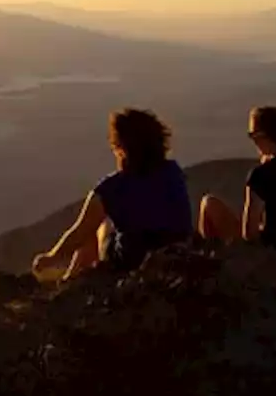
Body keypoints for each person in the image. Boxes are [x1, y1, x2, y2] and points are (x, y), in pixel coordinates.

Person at [32, 108, 192, 280]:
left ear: (121, 149)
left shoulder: (111, 188)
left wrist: (50, 258)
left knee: (95, 228)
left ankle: (70, 280)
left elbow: (78, 233)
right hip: (180, 254)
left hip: (133, 261)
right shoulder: (172, 172)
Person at [200, 106, 276, 257]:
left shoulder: (261, 175)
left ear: (262, 136)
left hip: (275, 254)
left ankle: (212, 260)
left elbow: (249, 234)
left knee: (209, 204)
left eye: (252, 135)